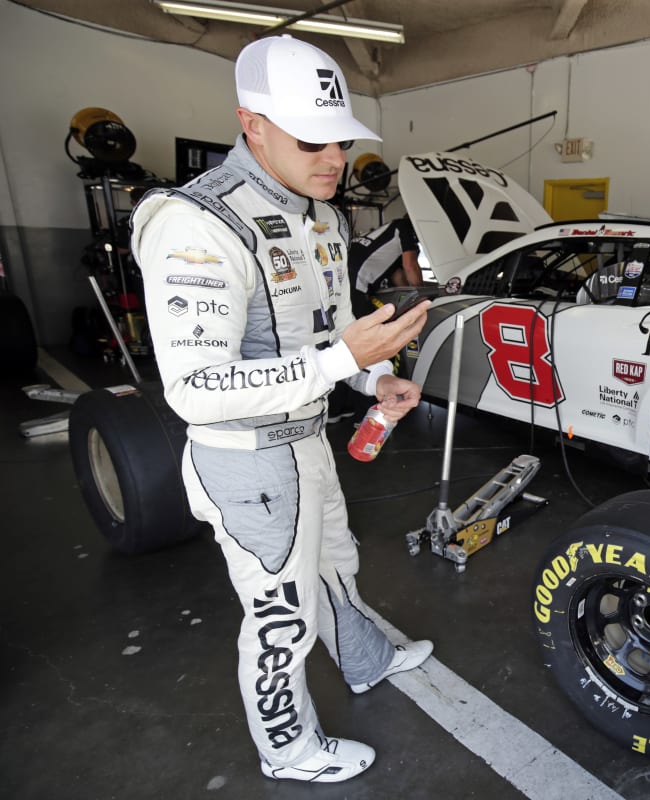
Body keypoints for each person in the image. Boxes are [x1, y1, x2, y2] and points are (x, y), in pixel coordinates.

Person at [130, 35, 435, 782]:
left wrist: (370, 381)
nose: (332, 157)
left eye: (340, 139)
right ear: (252, 125)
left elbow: (328, 334)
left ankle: (364, 660)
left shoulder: (322, 213)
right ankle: (288, 751)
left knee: (337, 564)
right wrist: (341, 364)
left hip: (307, 441)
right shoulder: (192, 221)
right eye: (310, 140)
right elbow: (193, 388)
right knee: (281, 618)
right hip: (243, 457)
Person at [349, 216, 423, 317]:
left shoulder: (390, 230)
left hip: (343, 274)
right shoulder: (406, 227)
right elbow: (410, 266)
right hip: (356, 278)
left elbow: (397, 276)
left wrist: (408, 297)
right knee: (367, 325)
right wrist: (421, 296)